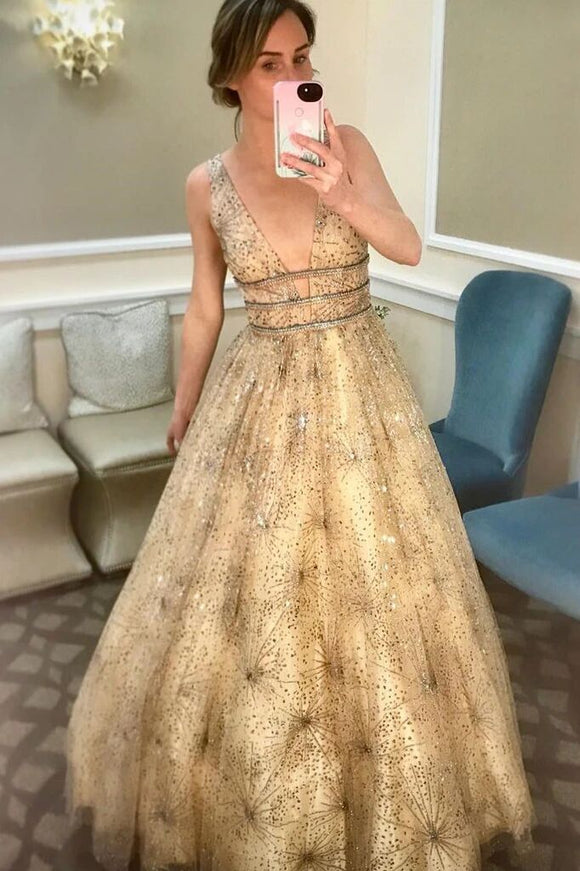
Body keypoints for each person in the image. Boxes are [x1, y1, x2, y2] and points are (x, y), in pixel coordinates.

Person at [65, 1, 538, 868]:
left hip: (363, 395)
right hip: (260, 396)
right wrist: (183, 405)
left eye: (303, 57)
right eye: (270, 63)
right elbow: (205, 305)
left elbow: (408, 247)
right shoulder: (206, 184)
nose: (294, 76)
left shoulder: (346, 144)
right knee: (258, 595)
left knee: (381, 589)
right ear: (229, 76)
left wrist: (341, 193)